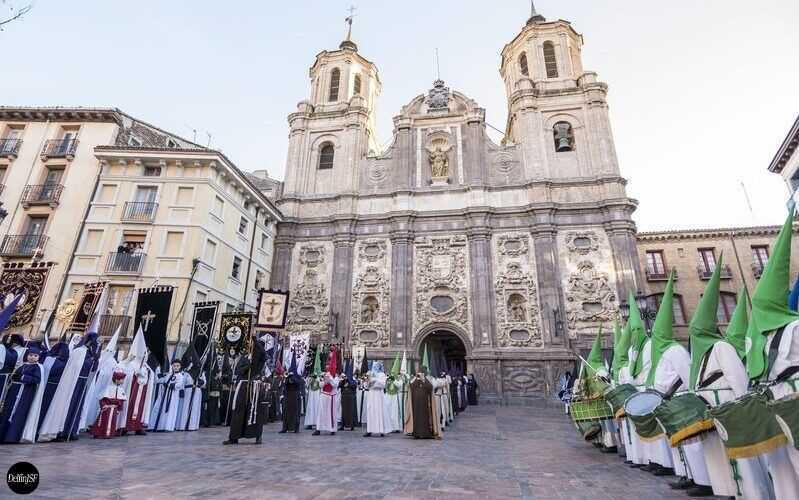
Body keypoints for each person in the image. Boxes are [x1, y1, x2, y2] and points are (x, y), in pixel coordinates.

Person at [38, 332, 100, 442]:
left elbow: (93, 369)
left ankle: (71, 430)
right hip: (73, 382)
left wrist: (95, 359)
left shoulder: (90, 353)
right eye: (96, 341)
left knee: (77, 406)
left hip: (82, 383)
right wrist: (90, 360)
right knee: (69, 405)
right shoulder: (79, 352)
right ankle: (62, 430)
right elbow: (77, 366)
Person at [224, 334, 268, 445]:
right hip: (243, 386)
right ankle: (234, 436)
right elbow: (238, 370)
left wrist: (255, 340)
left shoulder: (260, 360)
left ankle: (258, 436)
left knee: (254, 412)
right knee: (238, 411)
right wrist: (246, 366)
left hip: (254, 387)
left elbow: (263, 354)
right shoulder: (245, 357)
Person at [0, 345, 44, 443]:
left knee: (18, 413)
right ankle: (3, 435)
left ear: (39, 357)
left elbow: (37, 380)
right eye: (31, 355)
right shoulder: (23, 365)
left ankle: (11, 437)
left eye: (35, 355)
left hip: (24, 393)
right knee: (8, 411)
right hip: (14, 392)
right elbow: (15, 376)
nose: (32, 357)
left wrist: (23, 377)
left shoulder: (38, 367)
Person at [118, 326, 154, 436]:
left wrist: (147, 373)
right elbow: (123, 370)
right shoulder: (131, 364)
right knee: (130, 406)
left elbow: (151, 377)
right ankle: (125, 425)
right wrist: (135, 373)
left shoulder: (147, 367)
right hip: (131, 392)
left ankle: (138, 426)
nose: (144, 354)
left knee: (140, 407)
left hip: (142, 392)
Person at [150, 359, 188, 432]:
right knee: (164, 410)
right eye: (174, 366)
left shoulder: (180, 376)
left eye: (177, 366)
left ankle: (169, 427)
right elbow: (163, 381)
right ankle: (162, 426)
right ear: (172, 366)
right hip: (166, 394)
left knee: (171, 410)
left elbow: (179, 384)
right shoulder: (169, 375)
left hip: (173, 395)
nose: (176, 367)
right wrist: (161, 378)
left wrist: (172, 385)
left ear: (180, 367)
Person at [89, 369, 126, 439]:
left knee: (112, 422)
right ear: (117, 380)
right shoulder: (108, 388)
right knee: (103, 421)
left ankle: (109, 434)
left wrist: (119, 408)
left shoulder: (121, 390)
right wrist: (103, 405)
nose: (123, 381)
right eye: (122, 379)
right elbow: (102, 398)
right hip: (107, 409)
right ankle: (98, 433)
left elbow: (121, 401)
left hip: (114, 409)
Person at [279, 351, 303, 434]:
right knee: (286, 412)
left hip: (295, 395)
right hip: (287, 395)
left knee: (295, 413)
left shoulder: (298, 374)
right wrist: (287, 378)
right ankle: (285, 428)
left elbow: (299, 383)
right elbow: (284, 384)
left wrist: (293, 379)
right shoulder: (288, 375)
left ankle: (296, 428)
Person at [364, 361, 387, 437]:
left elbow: (383, 384)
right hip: (371, 394)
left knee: (378, 411)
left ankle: (381, 430)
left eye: (376, 366)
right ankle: (369, 430)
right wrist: (368, 382)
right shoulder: (369, 374)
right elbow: (366, 386)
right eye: (373, 366)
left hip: (378, 395)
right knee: (370, 410)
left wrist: (375, 380)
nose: (374, 367)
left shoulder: (382, 374)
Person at [304, 348, 321, 430]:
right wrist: (310, 380)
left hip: (317, 395)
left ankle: (317, 422)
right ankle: (310, 422)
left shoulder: (319, 379)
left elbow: (320, 385)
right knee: (310, 408)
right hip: (311, 395)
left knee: (317, 407)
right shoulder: (311, 379)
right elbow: (307, 385)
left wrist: (318, 378)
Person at [339, 359, 358, 431]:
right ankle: (343, 425)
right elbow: (339, 386)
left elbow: (354, 386)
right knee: (343, 412)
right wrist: (343, 380)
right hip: (344, 397)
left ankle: (351, 425)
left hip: (350, 398)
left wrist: (349, 381)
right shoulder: (343, 380)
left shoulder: (352, 380)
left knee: (351, 412)